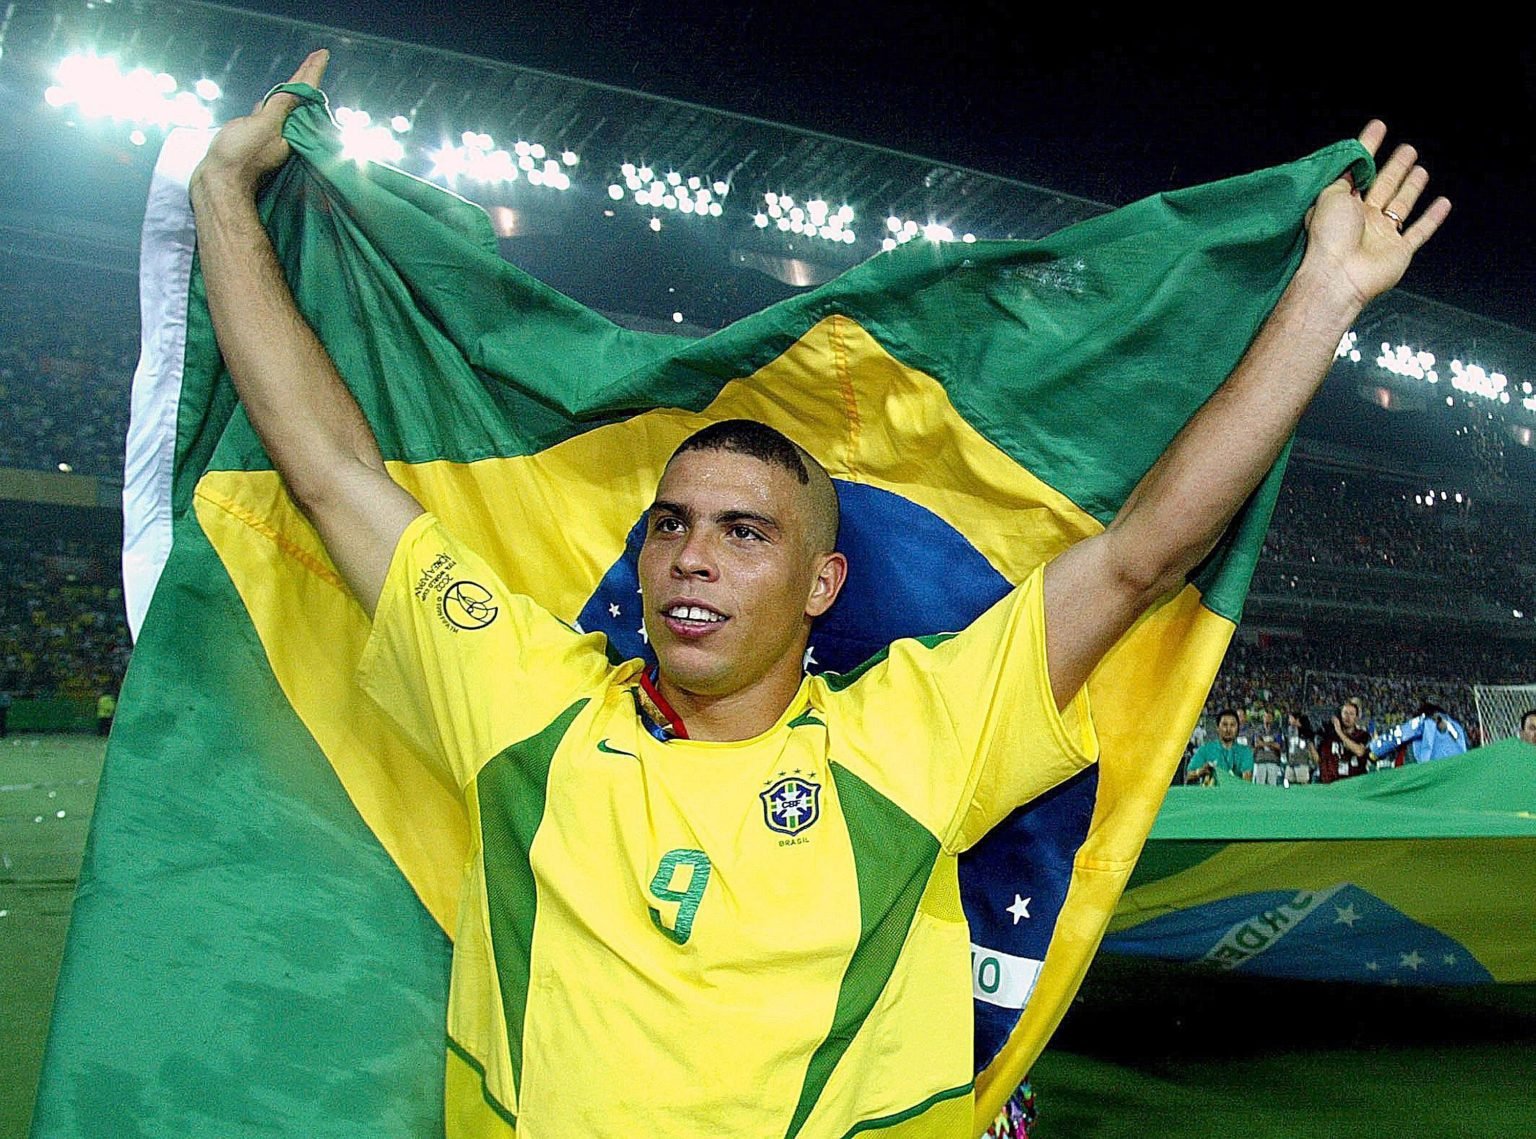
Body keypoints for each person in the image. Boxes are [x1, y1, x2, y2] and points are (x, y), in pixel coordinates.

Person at [188, 49, 1448, 1137]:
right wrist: (220, 193)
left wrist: (1325, 294)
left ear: (820, 583)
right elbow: (331, 470)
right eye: (670, 525)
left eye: (745, 533)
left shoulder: (913, 733)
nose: (691, 555)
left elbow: (1141, 551)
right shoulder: (522, 700)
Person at [1185, 709, 1255, 785]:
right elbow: (1189, 775)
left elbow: (1246, 780)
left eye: (1232, 725)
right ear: (1217, 728)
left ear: (1237, 728)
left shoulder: (1245, 752)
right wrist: (1199, 771)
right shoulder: (1205, 749)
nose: (1228, 729)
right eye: (1224, 725)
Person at [1319, 698, 1371, 782]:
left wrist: (1339, 732)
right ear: (1340, 715)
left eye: (1351, 714)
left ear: (1356, 717)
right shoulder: (1329, 736)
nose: (1348, 717)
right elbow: (1320, 759)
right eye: (1345, 713)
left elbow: (1360, 752)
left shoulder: (1362, 735)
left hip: (1355, 784)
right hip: (1333, 785)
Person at [1250, 707, 1284, 785]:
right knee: (1259, 785)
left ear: (1273, 719)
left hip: (1273, 760)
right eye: (1265, 717)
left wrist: (1264, 743)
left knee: (1272, 785)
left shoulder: (1277, 730)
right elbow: (1256, 744)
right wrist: (1271, 743)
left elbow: (1278, 745)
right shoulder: (1257, 729)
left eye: (1269, 717)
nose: (1267, 719)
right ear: (1263, 718)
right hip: (1260, 759)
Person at [1284, 711, 1320, 784]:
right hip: (1291, 762)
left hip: (1302, 763)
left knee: (1302, 785)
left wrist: (1314, 760)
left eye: (1290, 718)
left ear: (1297, 719)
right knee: (1288, 784)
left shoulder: (1307, 732)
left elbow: (1311, 747)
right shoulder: (1289, 730)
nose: (1289, 720)